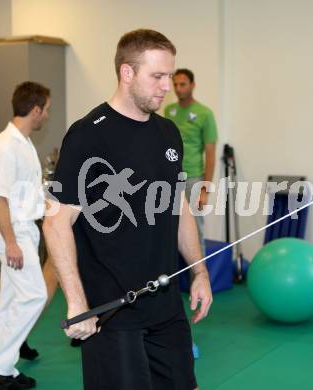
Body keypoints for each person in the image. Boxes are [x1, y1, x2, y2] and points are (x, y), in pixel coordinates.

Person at [43, 29, 212, 390]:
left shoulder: (168, 132)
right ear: (127, 73)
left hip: (166, 308)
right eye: (158, 76)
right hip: (112, 311)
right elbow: (56, 224)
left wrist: (199, 272)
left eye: (170, 75)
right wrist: (76, 303)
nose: (167, 86)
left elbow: (177, 205)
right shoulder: (88, 135)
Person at [0, 81, 50, 390]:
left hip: (26, 226)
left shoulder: (24, 143)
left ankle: (4, 367)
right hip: (12, 228)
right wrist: (11, 242)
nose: (47, 116)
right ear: (35, 109)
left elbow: (23, 191)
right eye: (47, 110)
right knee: (35, 294)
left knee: (11, 298)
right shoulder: (3, 146)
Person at [165, 69, 218, 256]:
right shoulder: (168, 111)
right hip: (170, 178)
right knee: (168, 232)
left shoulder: (205, 114)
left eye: (183, 84)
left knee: (196, 231)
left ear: (192, 85)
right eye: (176, 84)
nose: (178, 88)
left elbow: (211, 155)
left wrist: (205, 189)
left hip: (193, 179)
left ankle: (200, 278)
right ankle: (173, 282)